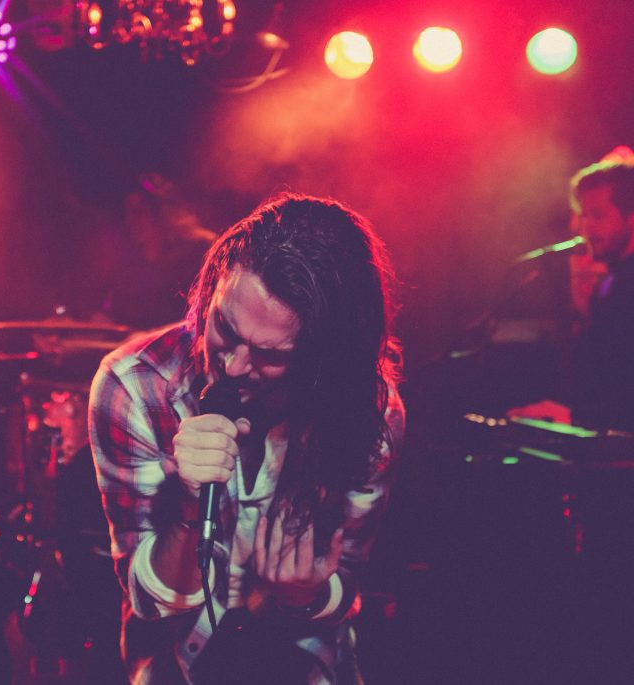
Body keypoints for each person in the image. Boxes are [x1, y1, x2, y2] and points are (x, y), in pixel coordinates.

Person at [88, 192, 405, 684]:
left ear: (324, 356)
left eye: (271, 354)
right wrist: (190, 508)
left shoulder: (370, 412)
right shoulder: (134, 387)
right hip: (178, 666)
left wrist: (306, 595)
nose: (234, 365)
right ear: (212, 288)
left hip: (305, 662)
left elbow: (350, 577)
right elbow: (149, 602)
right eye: (224, 325)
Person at [509, 160, 634, 450]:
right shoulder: (612, 282)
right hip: (618, 449)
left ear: (633, 216)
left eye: (597, 216)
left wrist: (577, 417)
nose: (586, 228)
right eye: (584, 216)